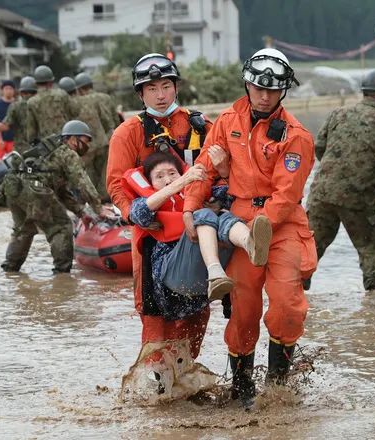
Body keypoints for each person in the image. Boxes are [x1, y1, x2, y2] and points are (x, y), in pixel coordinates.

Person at [182, 48, 316, 407]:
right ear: (247, 84)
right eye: (258, 87)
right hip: (240, 222)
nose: (264, 95)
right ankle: (242, 388)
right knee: (242, 310)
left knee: (287, 306)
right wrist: (191, 207)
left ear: (283, 91)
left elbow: (286, 195)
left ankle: (277, 385)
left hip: (283, 225)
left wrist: (261, 229)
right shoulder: (227, 121)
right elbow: (204, 170)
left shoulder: (296, 135)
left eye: (272, 90)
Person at [106, 53, 213, 362]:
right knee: (154, 315)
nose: (161, 94)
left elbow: (222, 170)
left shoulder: (200, 125)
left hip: (194, 232)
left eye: (166, 85)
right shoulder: (128, 133)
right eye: (152, 88)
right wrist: (135, 215)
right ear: (141, 94)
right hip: (152, 237)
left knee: (197, 311)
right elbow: (116, 184)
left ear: (176, 87)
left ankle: (186, 376)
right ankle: (156, 387)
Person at [124, 151, 271, 317]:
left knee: (223, 215)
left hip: (200, 288)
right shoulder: (146, 202)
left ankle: (250, 243)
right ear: (150, 183)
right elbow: (138, 215)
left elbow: (234, 198)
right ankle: (215, 271)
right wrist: (181, 182)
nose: (167, 179)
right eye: (159, 176)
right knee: (202, 214)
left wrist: (224, 172)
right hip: (173, 281)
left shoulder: (198, 193)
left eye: (173, 173)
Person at [306, 68, 375, 292]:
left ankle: (293, 298)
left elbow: (319, 147)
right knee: (370, 248)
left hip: (321, 192)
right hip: (357, 198)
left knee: (308, 249)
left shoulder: (338, 114)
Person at [0, 120, 102, 273]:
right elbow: (83, 182)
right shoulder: (67, 152)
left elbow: (61, 191)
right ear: (73, 139)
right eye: (85, 141)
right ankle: (62, 273)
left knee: (24, 230)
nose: (87, 146)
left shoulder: (49, 150)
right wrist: (98, 208)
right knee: (61, 227)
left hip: (14, 189)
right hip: (35, 190)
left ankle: (10, 269)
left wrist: (81, 212)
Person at [72, 72, 111, 201]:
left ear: (79, 89)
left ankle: (93, 199)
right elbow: (107, 119)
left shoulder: (74, 102)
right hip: (102, 141)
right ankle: (105, 197)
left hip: (85, 145)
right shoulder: (102, 97)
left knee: (89, 172)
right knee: (104, 171)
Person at [26, 65, 77, 144]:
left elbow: (31, 130)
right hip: (66, 139)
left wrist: (32, 142)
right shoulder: (62, 94)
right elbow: (74, 112)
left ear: (36, 83)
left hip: (48, 145)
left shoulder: (31, 102)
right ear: (51, 81)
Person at [0, 76, 37, 155]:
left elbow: (5, 126)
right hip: (40, 150)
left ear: (20, 93)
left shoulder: (15, 106)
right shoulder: (41, 104)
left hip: (21, 151)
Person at [0, 80, 16, 160]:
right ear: (2, 90)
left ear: (14, 90)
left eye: (10, 89)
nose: (8, 91)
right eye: (6, 89)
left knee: (14, 162)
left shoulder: (17, 104)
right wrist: (0, 138)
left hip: (14, 140)